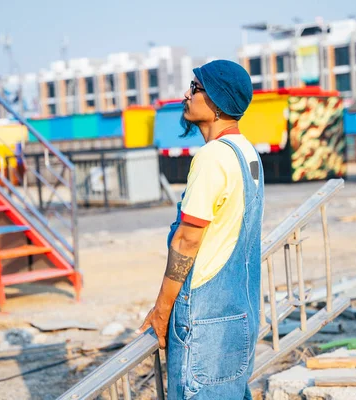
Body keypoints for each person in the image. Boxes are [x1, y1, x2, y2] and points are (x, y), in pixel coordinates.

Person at [138, 60, 264, 399]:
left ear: (217, 102)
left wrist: (161, 311)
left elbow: (188, 238)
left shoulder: (212, 158)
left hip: (205, 321)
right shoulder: (248, 154)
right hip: (240, 313)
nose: (187, 95)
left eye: (195, 88)